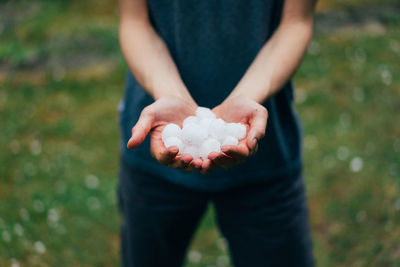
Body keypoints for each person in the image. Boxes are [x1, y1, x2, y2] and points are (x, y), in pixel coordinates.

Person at [117, 0, 317, 266]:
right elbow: (134, 22)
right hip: (156, 148)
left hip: (267, 156)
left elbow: (295, 23)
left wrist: (247, 96)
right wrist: (170, 94)